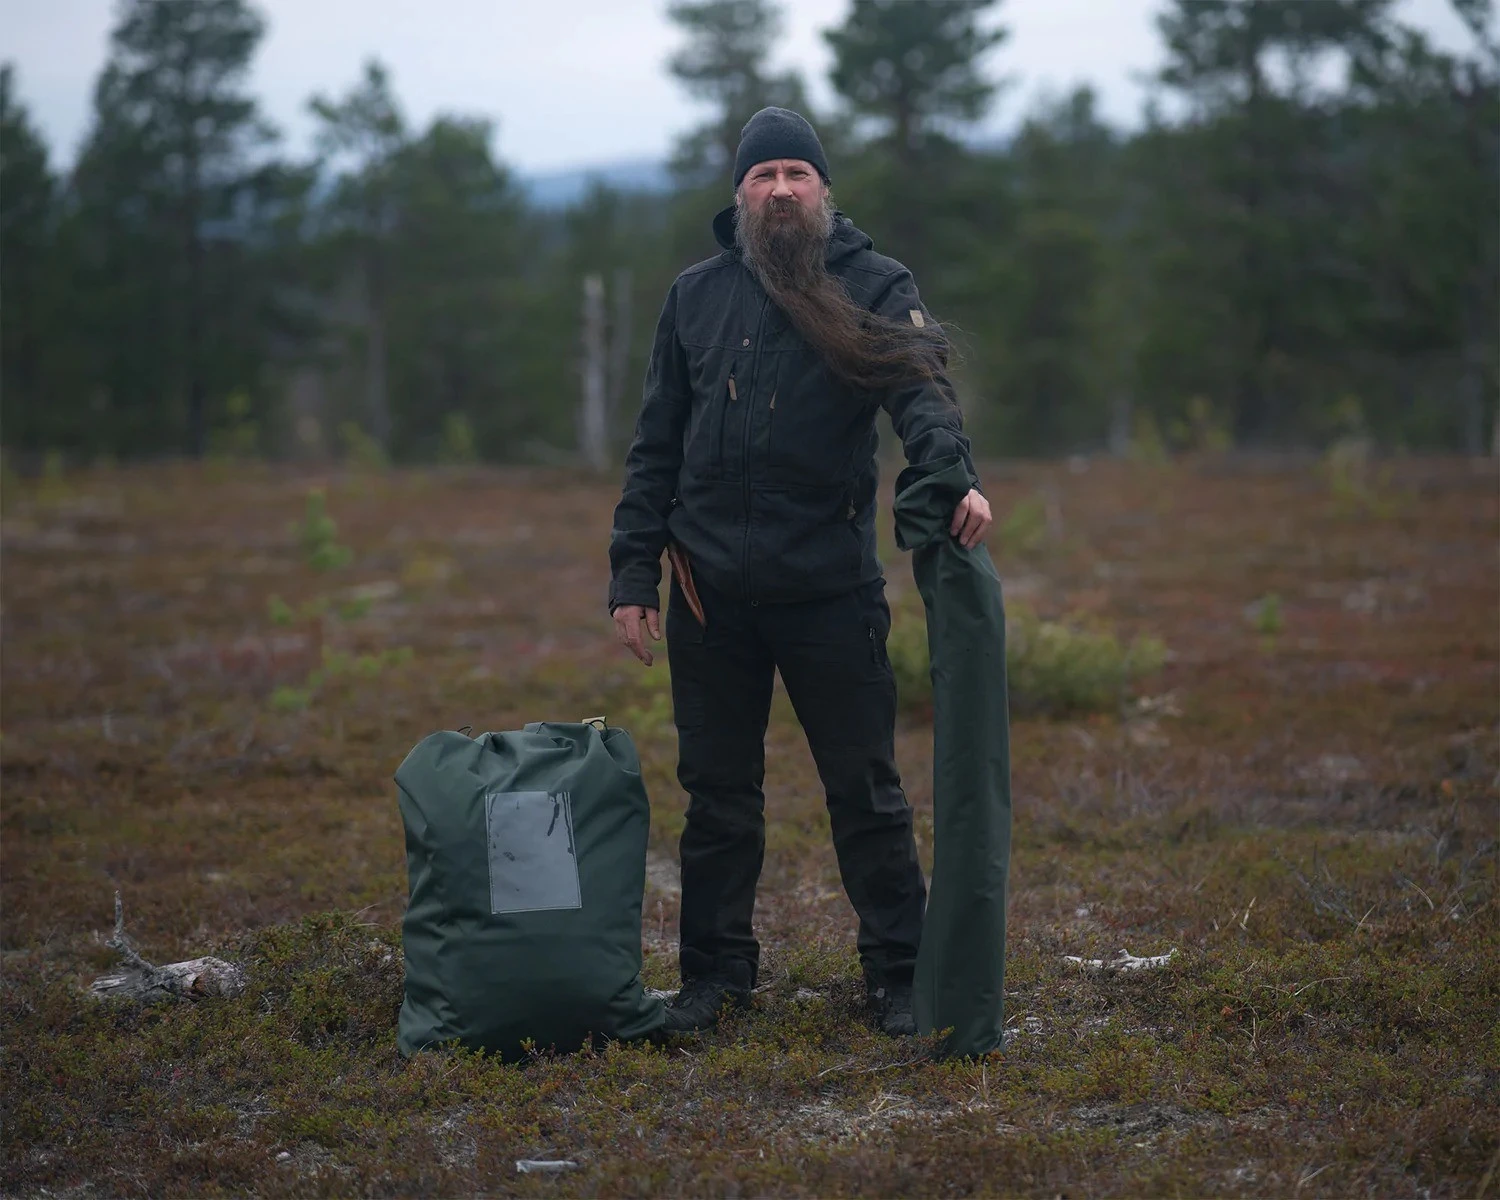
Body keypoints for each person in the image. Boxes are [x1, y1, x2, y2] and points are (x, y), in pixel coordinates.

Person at [607, 107, 992, 1037]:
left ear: (824, 189)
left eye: (797, 173)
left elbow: (924, 397)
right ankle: (715, 981)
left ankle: (899, 978)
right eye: (763, 175)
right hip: (708, 594)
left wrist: (953, 478)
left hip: (829, 590)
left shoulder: (874, 283)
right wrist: (631, 575)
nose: (780, 189)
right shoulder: (696, 296)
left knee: (866, 793)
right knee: (717, 798)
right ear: (739, 193)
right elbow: (655, 443)